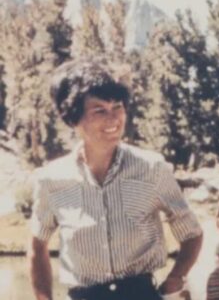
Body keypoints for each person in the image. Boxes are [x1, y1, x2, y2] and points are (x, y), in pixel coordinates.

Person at [28, 58, 204, 300]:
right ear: (73, 118)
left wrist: (176, 277)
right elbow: (37, 245)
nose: (113, 119)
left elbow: (191, 232)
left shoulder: (152, 168)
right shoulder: (51, 179)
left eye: (118, 107)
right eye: (99, 110)